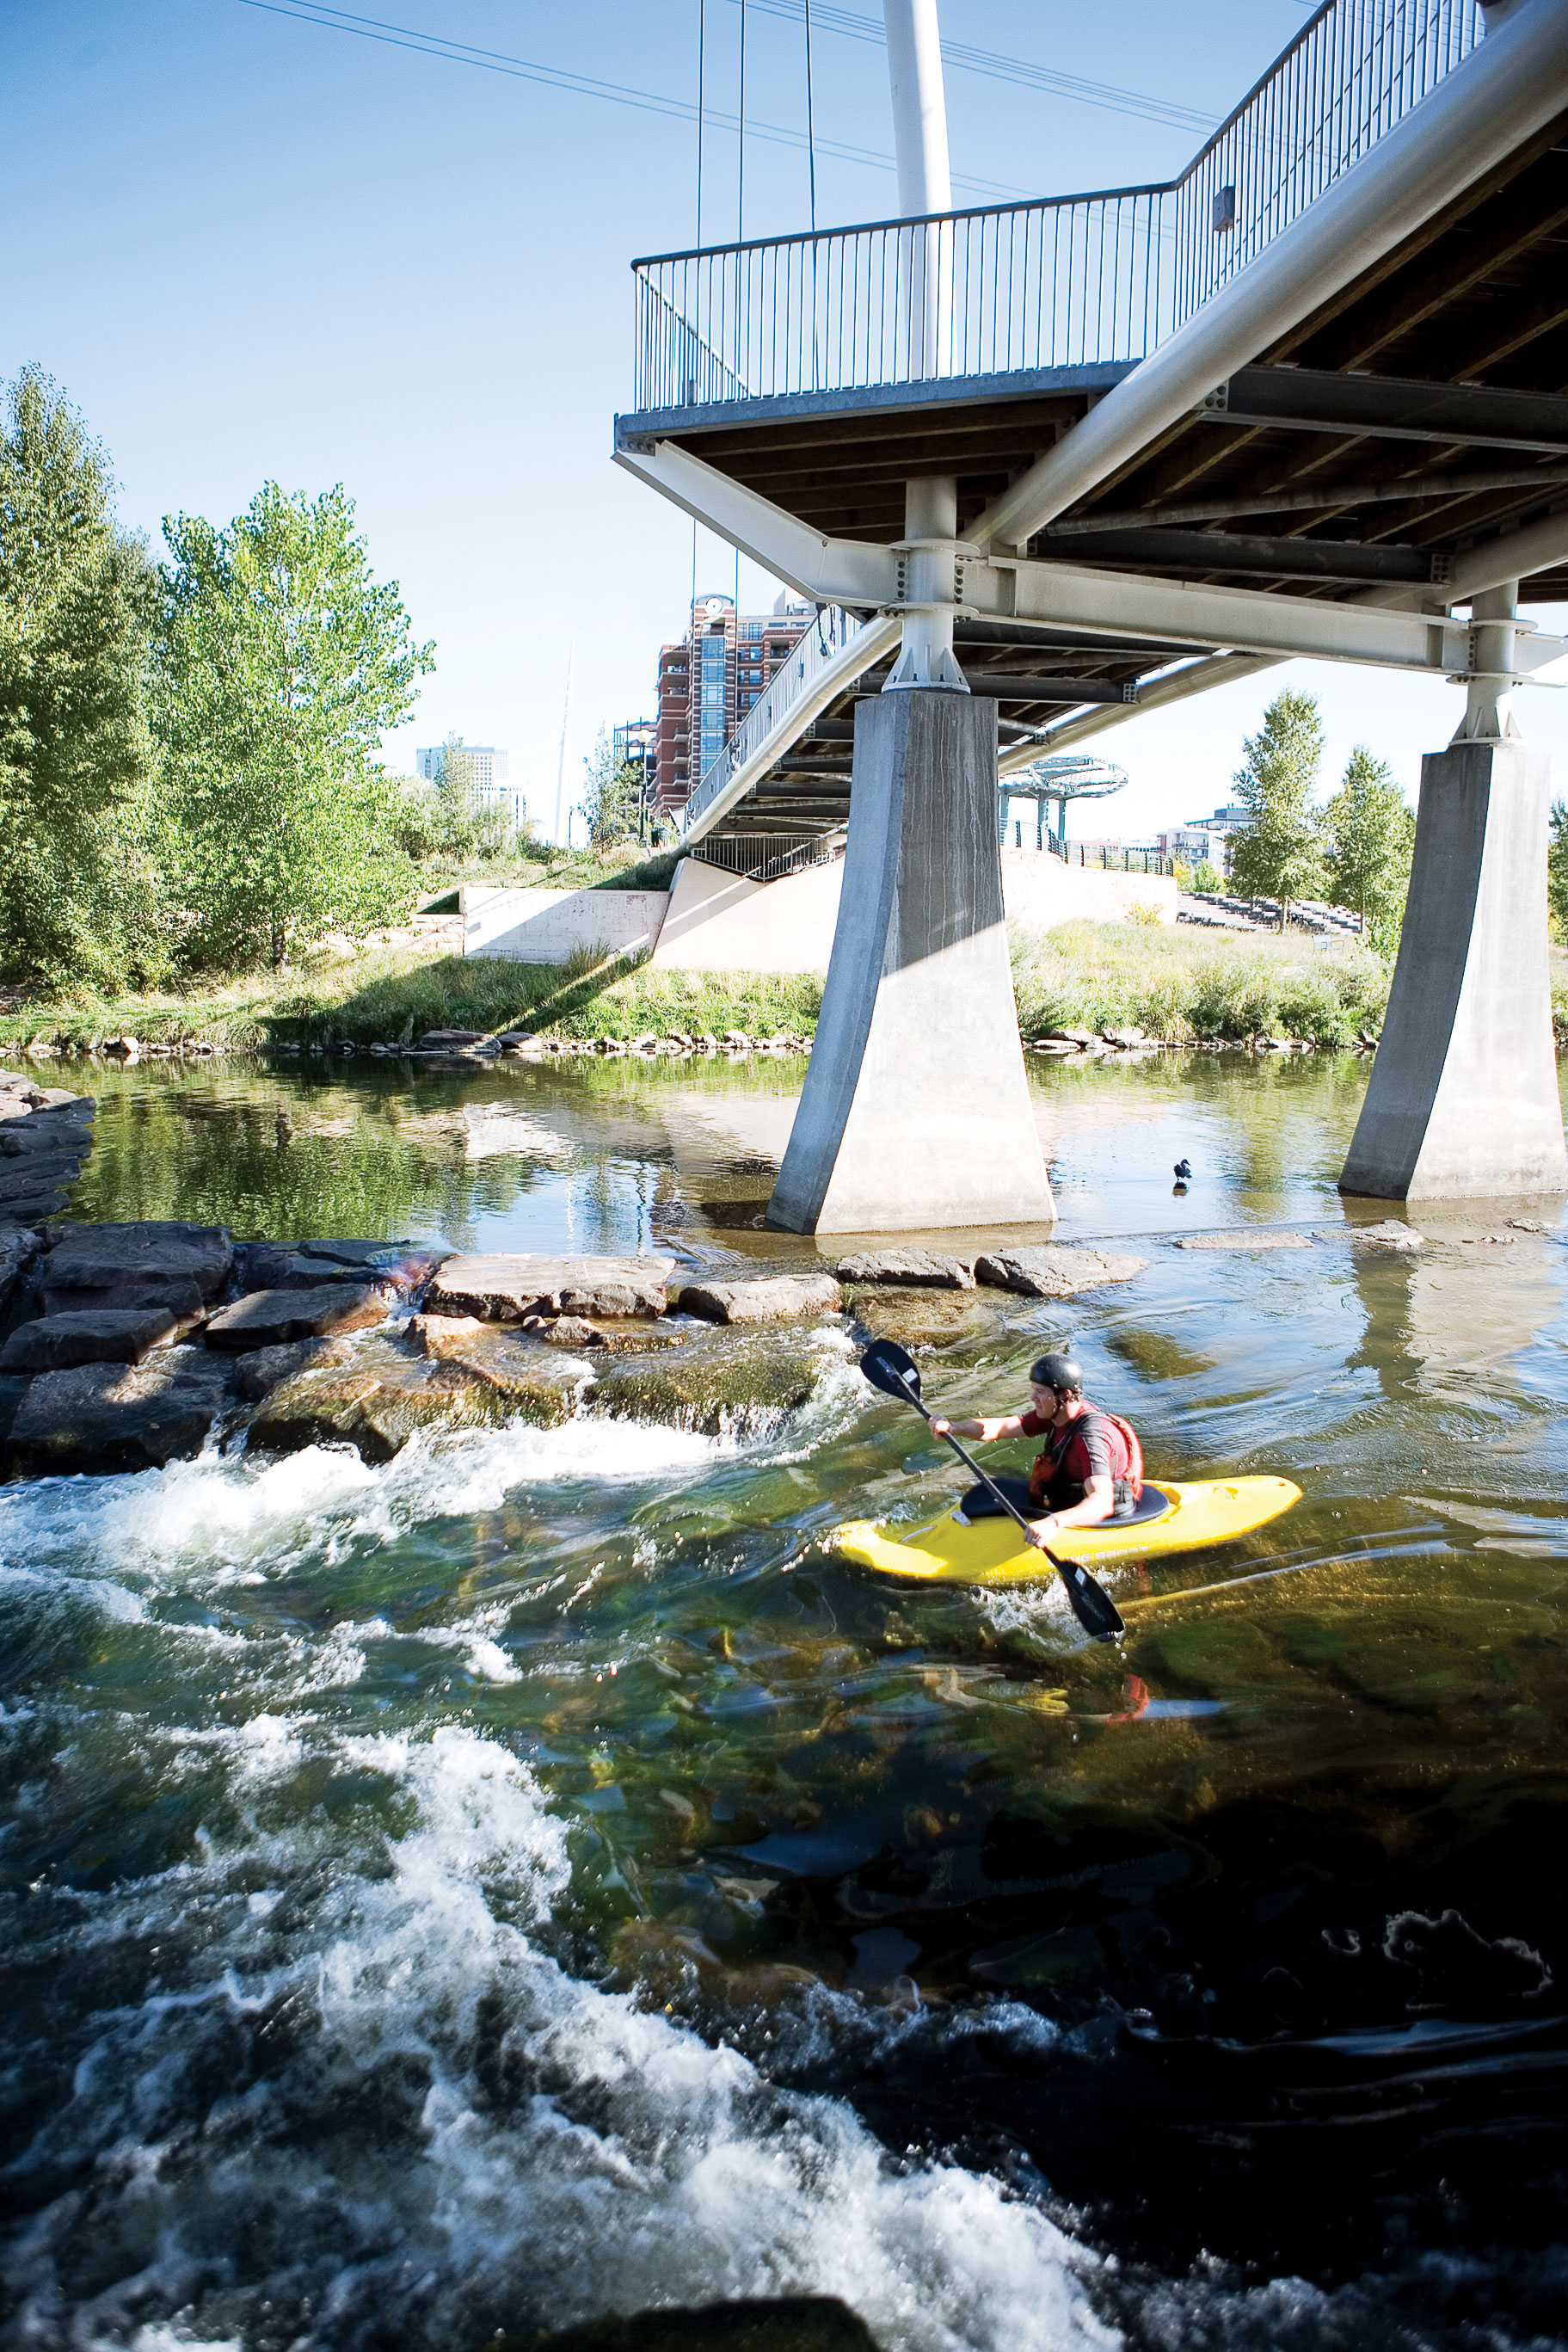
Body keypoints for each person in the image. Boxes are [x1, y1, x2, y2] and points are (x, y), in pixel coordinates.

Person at [930, 1351, 1141, 1551]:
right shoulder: (1056, 1414)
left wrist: (1053, 1523)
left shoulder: (1090, 1437)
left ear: (1064, 1395)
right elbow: (1000, 1428)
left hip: (1106, 1515)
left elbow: (1102, 1503)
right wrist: (954, 1428)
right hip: (1069, 1494)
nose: (1033, 1398)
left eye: (1040, 1392)